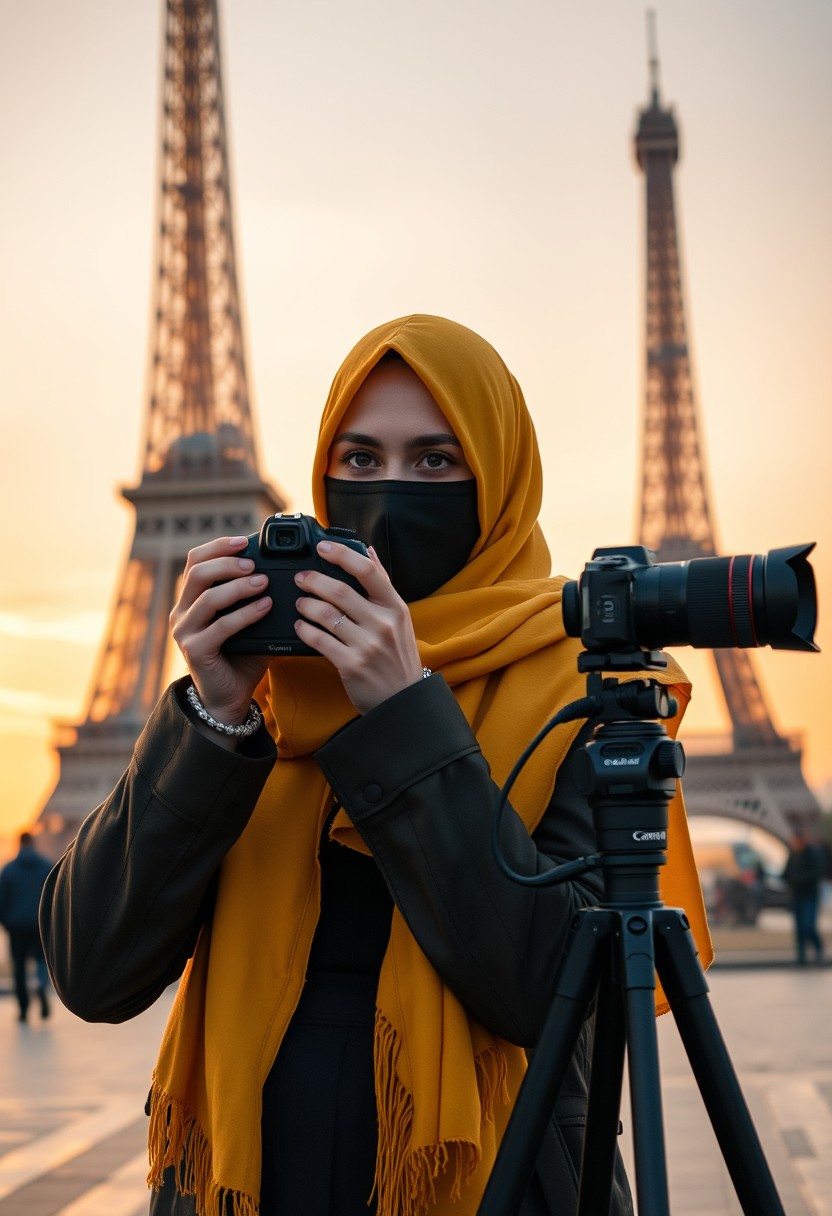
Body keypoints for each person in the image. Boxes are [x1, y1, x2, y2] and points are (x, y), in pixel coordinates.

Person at [40, 315, 711, 1216]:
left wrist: (403, 713)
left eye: (435, 460)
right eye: (359, 460)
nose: (390, 492)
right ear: (320, 478)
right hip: (243, 1186)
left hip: (498, 1184)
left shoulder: (587, 684)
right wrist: (212, 718)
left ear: (499, 480)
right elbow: (92, 971)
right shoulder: (270, 685)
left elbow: (553, 991)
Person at [0, 830, 53, 1021]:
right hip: (39, 925)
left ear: (19, 844)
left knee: (19, 968)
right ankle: (40, 985)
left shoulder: (9, 869)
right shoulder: (47, 866)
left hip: (16, 927)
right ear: (33, 843)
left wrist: (6, 922)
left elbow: (2, 900)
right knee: (41, 961)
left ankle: (23, 1008)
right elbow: (54, 897)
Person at [782, 827, 825, 965]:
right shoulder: (792, 855)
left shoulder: (813, 854)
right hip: (796, 896)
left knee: (808, 926)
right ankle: (801, 956)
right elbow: (785, 874)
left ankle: (818, 950)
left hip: (809, 895)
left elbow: (816, 873)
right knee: (799, 928)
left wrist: (797, 879)